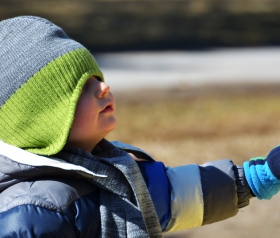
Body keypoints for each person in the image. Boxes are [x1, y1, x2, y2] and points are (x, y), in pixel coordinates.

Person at [0, 15, 279, 238]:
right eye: (81, 88)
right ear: (41, 119)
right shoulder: (33, 215)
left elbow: (178, 196)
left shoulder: (110, 170)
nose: (103, 86)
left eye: (96, 76)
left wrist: (258, 178)